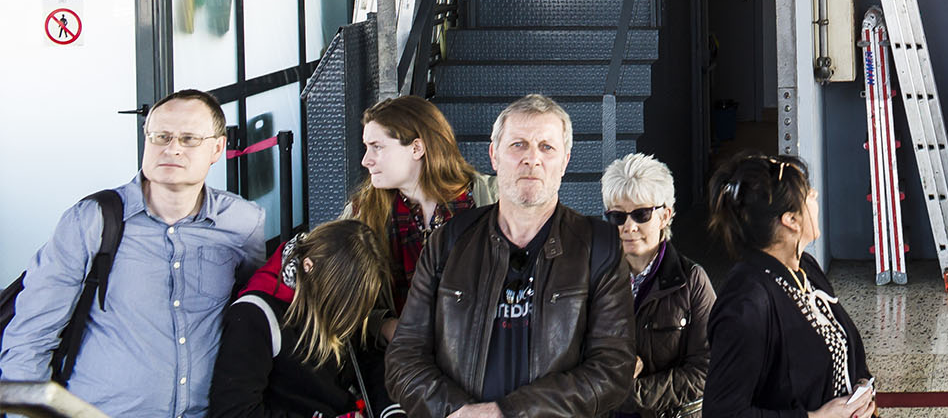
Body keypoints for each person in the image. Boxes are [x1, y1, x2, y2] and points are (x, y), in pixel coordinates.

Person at [0, 89, 266, 418]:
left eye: (189, 139)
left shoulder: (243, 223)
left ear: (217, 148)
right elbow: (31, 335)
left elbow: (253, 322)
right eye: (160, 136)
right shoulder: (92, 220)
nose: (172, 149)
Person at [386, 93, 634, 418]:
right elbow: (404, 356)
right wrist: (458, 411)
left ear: (565, 162)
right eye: (518, 145)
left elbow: (613, 369)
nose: (532, 158)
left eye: (546, 147)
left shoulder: (598, 246)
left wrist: (508, 412)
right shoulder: (449, 241)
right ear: (494, 155)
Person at [238, 96, 494, 327]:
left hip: (475, 356)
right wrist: (380, 326)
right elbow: (325, 285)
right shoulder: (362, 213)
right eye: (366, 147)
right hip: (394, 361)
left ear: (417, 148)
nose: (365, 160)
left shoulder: (488, 200)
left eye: (377, 147)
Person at [704, 154, 874, 418]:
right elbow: (722, 412)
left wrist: (862, 390)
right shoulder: (746, 303)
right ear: (791, 220)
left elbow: (843, 347)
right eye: (808, 194)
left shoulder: (805, 268)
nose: (815, 196)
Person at [208, 219, 400, 418]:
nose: (348, 319)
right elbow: (233, 411)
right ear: (308, 266)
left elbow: (369, 360)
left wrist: (391, 410)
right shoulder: (254, 317)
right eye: (338, 304)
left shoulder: (342, 295)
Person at [602, 153, 714, 418]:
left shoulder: (693, 282)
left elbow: (708, 368)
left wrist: (632, 394)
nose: (629, 227)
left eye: (641, 214)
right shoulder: (593, 279)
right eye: (618, 216)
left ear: (665, 216)